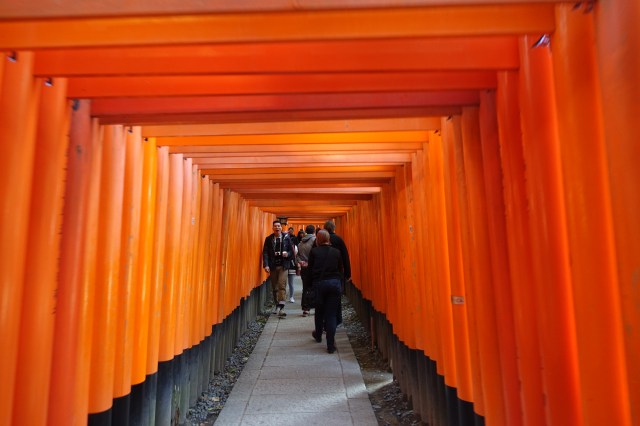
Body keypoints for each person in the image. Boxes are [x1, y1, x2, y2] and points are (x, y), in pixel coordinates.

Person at [306, 229, 344, 353]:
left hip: (320, 285)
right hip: (334, 284)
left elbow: (310, 270)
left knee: (319, 311)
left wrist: (308, 286)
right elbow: (340, 270)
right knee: (331, 314)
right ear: (328, 239)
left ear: (318, 239)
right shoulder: (336, 252)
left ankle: (318, 335)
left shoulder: (314, 252)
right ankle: (330, 345)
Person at [262, 219, 295, 317]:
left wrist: (287, 254)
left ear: (281, 228)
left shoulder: (286, 238)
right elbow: (265, 253)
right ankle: (277, 304)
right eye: (275, 226)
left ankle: (281, 307)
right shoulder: (269, 239)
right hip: (273, 266)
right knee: (275, 287)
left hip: (283, 265)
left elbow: (292, 252)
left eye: (279, 226)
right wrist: (266, 265)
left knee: (282, 285)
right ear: (272, 228)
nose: (277, 228)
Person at [323, 220, 351, 325]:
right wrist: (348, 273)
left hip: (323, 274)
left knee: (325, 298)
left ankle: (327, 320)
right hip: (337, 273)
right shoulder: (339, 239)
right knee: (337, 297)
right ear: (334, 228)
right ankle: (338, 319)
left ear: (325, 228)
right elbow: (345, 257)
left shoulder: (321, 239)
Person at [296, 224, 316, 316]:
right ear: (314, 231)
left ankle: (305, 308)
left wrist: (301, 262)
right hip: (313, 267)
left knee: (305, 288)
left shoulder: (300, 243)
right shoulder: (315, 241)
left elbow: (297, 256)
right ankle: (312, 306)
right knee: (313, 287)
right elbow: (316, 254)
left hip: (304, 267)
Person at [286, 227, 299, 303]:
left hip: (291, 264)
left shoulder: (295, 246)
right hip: (288, 264)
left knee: (290, 282)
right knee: (288, 283)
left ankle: (291, 296)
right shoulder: (294, 246)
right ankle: (290, 297)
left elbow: (296, 254)